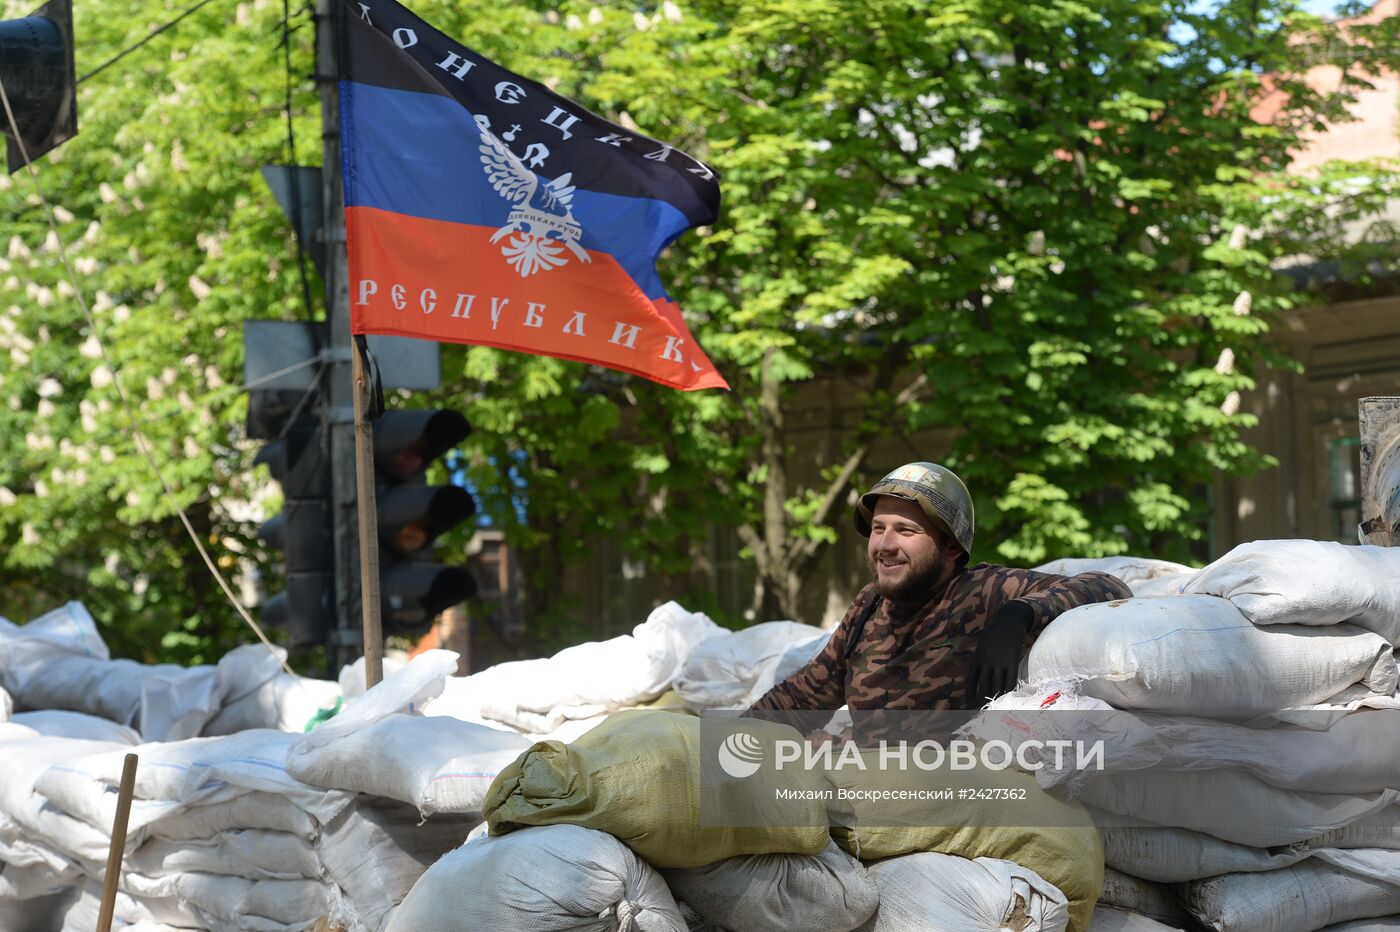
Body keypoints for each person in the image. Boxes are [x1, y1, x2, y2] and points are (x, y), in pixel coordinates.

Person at [748, 462, 1131, 714]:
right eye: (879, 528)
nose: (884, 545)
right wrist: (729, 740)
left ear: (951, 547)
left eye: (906, 530)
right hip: (859, 783)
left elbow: (1107, 586)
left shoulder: (981, 592)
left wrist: (1017, 616)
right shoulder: (870, 604)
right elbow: (804, 696)